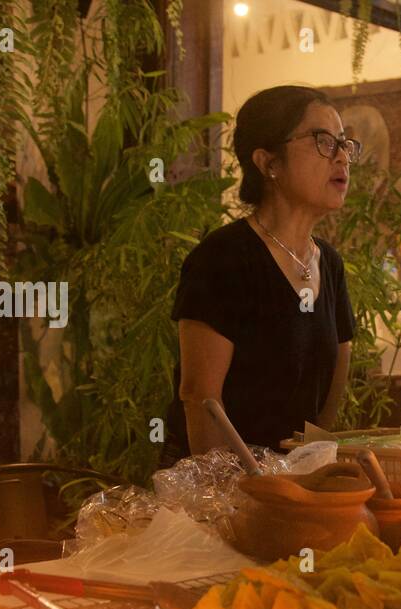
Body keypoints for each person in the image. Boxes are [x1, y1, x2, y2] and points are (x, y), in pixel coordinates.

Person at [168, 86, 360, 457]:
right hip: (222, 491)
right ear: (268, 162)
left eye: (344, 143)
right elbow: (200, 398)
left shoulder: (330, 265)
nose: (342, 157)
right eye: (323, 141)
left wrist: (308, 470)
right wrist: (236, 495)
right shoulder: (223, 258)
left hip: (293, 487)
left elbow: (333, 387)